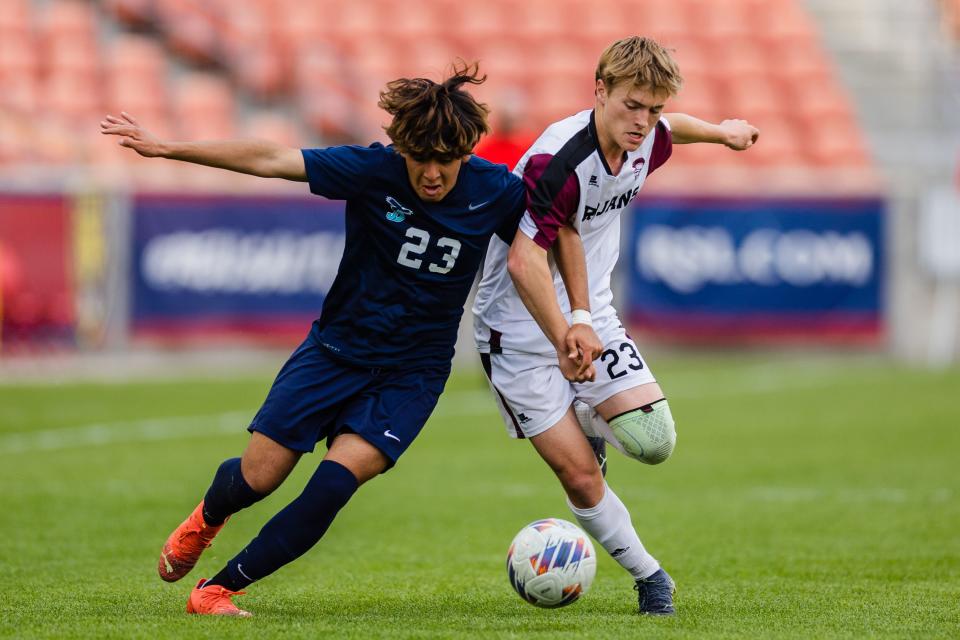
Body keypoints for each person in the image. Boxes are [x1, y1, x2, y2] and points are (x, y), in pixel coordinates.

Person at [100, 63, 557, 617]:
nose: (433, 173)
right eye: (421, 159)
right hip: (334, 351)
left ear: (466, 153)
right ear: (402, 148)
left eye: (447, 161)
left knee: (334, 486)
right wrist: (169, 149)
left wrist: (572, 322)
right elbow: (270, 158)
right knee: (258, 477)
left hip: (414, 371)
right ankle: (208, 517)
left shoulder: (497, 191)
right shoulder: (371, 170)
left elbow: (543, 246)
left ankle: (217, 590)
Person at [472, 36, 759, 616]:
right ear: (599, 90)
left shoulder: (646, 138)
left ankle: (584, 414)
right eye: (632, 105)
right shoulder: (560, 162)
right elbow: (525, 259)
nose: (643, 122)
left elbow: (673, 126)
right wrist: (563, 336)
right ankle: (651, 577)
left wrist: (723, 131)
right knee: (579, 477)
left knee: (654, 443)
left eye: (652, 109)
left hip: (590, 312)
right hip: (518, 329)